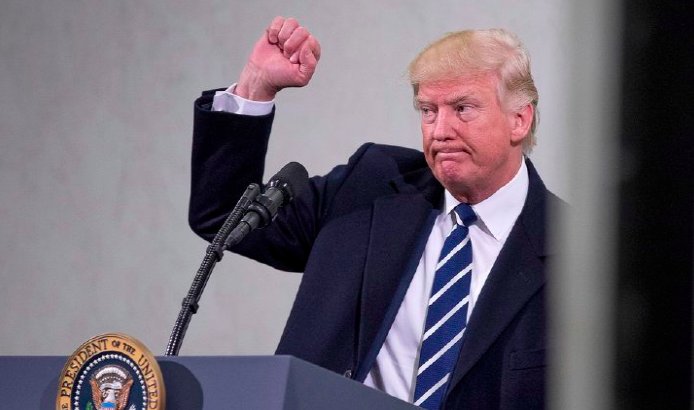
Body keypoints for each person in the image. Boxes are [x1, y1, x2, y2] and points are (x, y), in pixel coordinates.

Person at [189, 16, 563, 409]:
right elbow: (225, 216)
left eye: (463, 108)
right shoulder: (369, 187)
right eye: (428, 110)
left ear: (519, 119)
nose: (440, 131)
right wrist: (255, 86)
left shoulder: (580, 257)